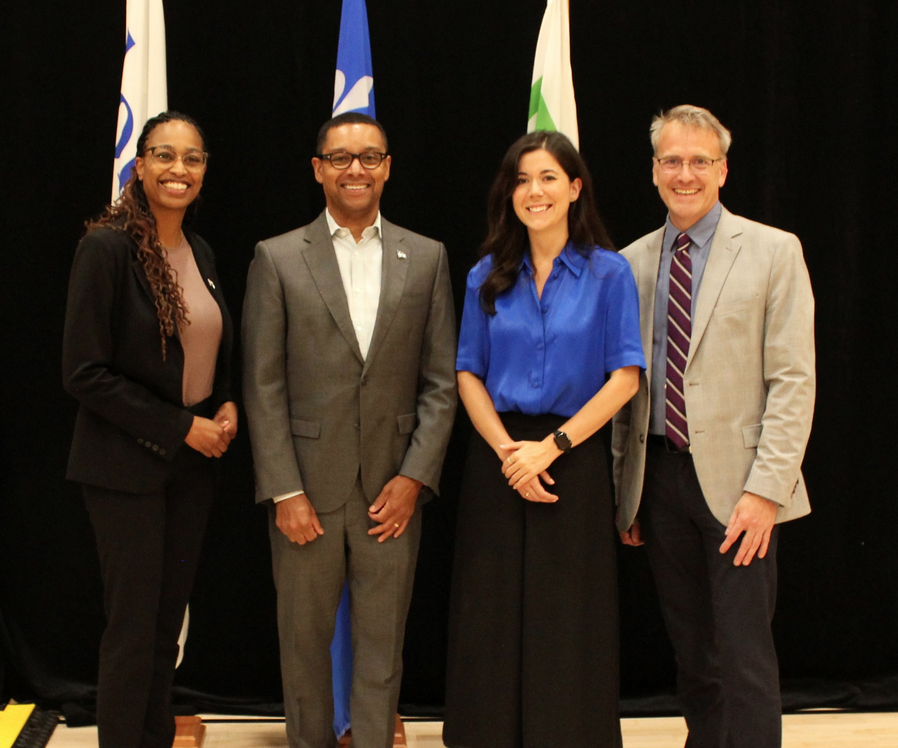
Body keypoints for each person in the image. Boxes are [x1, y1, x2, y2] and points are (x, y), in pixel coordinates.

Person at [242, 112, 457, 748]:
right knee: (303, 651)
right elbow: (262, 385)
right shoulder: (277, 257)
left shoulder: (427, 257)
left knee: (382, 651)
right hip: (305, 495)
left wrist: (414, 478)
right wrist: (284, 490)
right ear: (318, 170)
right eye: (340, 158)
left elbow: (441, 383)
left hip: (393, 494)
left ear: (387, 167)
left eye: (369, 157)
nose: (355, 169)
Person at [612, 105, 815, 748]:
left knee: (743, 656)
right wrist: (628, 491)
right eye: (672, 160)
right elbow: (624, 388)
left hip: (741, 487)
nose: (685, 174)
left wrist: (766, 491)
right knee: (693, 657)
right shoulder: (629, 264)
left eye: (700, 161)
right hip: (659, 482)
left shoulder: (774, 250)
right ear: (653, 171)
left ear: (723, 170)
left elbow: (794, 381)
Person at [443, 131, 645, 748]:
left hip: (572, 457)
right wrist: (510, 453)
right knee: (491, 611)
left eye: (549, 177)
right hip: (500, 458)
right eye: (522, 180)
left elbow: (625, 378)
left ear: (575, 188)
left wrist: (550, 448)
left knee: (568, 615)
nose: (535, 191)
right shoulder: (485, 274)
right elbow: (467, 373)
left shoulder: (609, 273)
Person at [62, 111, 237, 748]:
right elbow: (83, 373)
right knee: (133, 629)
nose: (178, 169)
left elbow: (209, 345)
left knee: (165, 628)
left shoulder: (200, 250)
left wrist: (226, 403)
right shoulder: (106, 248)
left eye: (192, 158)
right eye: (164, 155)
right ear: (139, 166)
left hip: (189, 471)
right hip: (124, 467)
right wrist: (181, 426)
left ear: (204, 171)